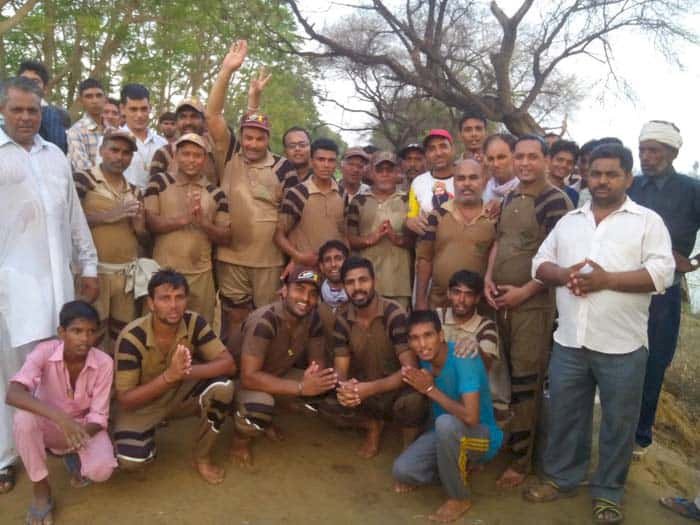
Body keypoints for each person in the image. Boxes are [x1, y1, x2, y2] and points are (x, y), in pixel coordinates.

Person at [525, 144, 674, 525]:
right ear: (586, 175)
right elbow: (540, 263)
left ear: (628, 177)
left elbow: (661, 274)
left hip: (622, 345)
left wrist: (608, 280)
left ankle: (608, 493)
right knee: (565, 416)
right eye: (595, 173)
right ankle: (562, 478)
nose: (602, 181)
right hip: (570, 340)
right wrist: (565, 275)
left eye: (611, 174)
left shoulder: (647, 222)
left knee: (618, 423)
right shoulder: (571, 221)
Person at [0, 77, 98, 496]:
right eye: (17, 109)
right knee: (13, 375)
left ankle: (61, 443)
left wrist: (89, 265)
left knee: (60, 372)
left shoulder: (55, 155)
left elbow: (74, 217)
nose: (25, 117)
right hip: (11, 290)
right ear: (3, 110)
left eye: (33, 110)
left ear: (43, 113)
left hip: (59, 285)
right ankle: (6, 457)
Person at [484, 134, 572, 488]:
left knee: (527, 383)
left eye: (532, 157)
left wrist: (525, 292)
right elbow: (499, 244)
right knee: (505, 380)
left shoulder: (555, 202)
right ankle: (513, 443)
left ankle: (523, 461)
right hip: (502, 305)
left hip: (532, 308)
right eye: (518, 157)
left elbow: (559, 262)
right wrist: (489, 277)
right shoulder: (511, 197)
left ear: (546, 159)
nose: (524, 163)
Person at [206, 40, 298, 343]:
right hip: (231, 256)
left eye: (259, 139)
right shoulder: (229, 155)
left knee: (267, 318)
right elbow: (213, 117)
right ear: (241, 137)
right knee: (234, 317)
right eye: (248, 137)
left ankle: (260, 373)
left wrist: (293, 257)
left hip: (270, 260)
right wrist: (226, 72)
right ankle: (232, 374)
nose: (252, 144)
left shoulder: (284, 168)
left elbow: (294, 216)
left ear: (267, 139)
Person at [113, 269, 235, 484]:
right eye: (165, 298)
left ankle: (202, 457)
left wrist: (185, 372)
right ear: (151, 303)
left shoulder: (194, 322)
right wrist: (169, 376)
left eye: (179, 297)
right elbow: (125, 399)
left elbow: (228, 364)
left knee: (223, 387)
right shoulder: (132, 337)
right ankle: (148, 439)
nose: (173, 305)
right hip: (143, 405)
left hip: (178, 395)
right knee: (131, 459)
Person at [6, 301, 117, 525]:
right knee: (24, 419)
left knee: (101, 471)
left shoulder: (104, 362)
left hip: (84, 427)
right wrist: (61, 419)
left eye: (91, 332)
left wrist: (77, 433)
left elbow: (98, 416)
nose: (85, 339)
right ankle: (41, 488)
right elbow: (13, 394)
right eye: (77, 331)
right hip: (51, 424)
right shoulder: (44, 353)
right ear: (61, 332)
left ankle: (71, 453)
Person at [627, 120, 700, 457]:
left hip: (664, 292)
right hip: (625, 286)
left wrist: (694, 262)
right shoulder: (632, 186)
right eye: (643, 150)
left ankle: (641, 437)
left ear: (672, 152)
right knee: (620, 355)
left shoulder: (691, 189)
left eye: (654, 150)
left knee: (654, 362)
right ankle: (617, 428)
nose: (646, 157)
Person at [393, 310, 503, 523]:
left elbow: (471, 418)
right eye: (415, 338)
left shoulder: (464, 359)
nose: (422, 344)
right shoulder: (424, 360)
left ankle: (459, 497)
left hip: (482, 437)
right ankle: (459, 467)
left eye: (428, 335)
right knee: (402, 470)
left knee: (444, 423)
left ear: (441, 336)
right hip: (445, 434)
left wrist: (430, 389)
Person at [228, 266, 337, 467]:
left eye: (313, 293)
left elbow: (317, 363)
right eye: (300, 289)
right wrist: (300, 388)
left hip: (274, 374)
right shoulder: (266, 320)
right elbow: (248, 377)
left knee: (324, 387)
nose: (306, 298)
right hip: (237, 382)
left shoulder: (312, 319)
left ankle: (268, 418)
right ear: (284, 291)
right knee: (260, 406)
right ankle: (239, 440)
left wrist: (314, 377)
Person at [324, 257, 427, 458]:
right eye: (350, 282)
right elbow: (341, 369)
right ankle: (372, 426)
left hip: (394, 391)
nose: (357, 287)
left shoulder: (394, 313)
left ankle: (408, 449)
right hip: (363, 394)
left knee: (415, 402)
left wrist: (369, 389)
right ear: (344, 286)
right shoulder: (343, 321)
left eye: (363, 280)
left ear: (374, 282)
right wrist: (346, 389)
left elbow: (410, 369)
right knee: (327, 405)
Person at [74, 129, 150, 348]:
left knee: (123, 335)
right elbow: (69, 223)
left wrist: (140, 229)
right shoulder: (84, 179)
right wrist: (110, 215)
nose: (120, 157)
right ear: (101, 151)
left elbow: (144, 239)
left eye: (126, 153)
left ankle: (118, 381)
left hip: (125, 276)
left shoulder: (135, 191)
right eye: (114, 150)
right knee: (90, 334)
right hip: (94, 273)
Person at [145, 133, 231, 324]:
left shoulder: (216, 193)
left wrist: (203, 223)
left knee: (199, 329)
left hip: (200, 276)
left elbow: (226, 236)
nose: (191, 160)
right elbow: (149, 223)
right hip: (163, 273)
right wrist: (183, 220)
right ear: (176, 155)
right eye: (186, 154)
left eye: (197, 155)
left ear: (205, 159)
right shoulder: (159, 182)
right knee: (161, 326)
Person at [415, 159, 496, 309]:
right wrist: (420, 301)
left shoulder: (493, 218)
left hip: (480, 308)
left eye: (473, 178)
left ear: (484, 181)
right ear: (454, 183)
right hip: (440, 305)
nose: (466, 183)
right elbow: (425, 259)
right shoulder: (437, 215)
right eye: (461, 178)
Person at [436, 271, 509, 422]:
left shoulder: (486, 327)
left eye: (468, 295)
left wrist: (477, 349)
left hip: (477, 397)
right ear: (448, 294)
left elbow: (485, 365)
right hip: (444, 391)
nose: (461, 300)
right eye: (457, 293)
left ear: (477, 298)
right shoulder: (437, 317)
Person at [347, 151, 412, 308]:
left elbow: (416, 241)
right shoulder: (359, 201)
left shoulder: (408, 200)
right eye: (379, 170)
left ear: (397, 173)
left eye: (389, 170)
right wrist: (371, 238)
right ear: (371, 173)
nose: (385, 174)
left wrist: (397, 238)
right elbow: (349, 239)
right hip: (365, 283)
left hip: (399, 284)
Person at [275, 138, 346, 268]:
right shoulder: (297, 193)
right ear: (312, 162)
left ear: (336, 164)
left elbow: (343, 233)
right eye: (321, 159)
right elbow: (279, 234)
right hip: (305, 271)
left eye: (331, 160)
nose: (326, 165)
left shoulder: (342, 193)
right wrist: (297, 256)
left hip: (335, 271)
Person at [100, 83, 167, 189]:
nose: (139, 115)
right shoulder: (109, 142)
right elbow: (101, 180)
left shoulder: (162, 144)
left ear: (150, 108)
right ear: (122, 109)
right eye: (133, 109)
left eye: (144, 109)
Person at [150, 97, 225, 185]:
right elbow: (153, 190)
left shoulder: (215, 153)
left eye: (194, 117)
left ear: (204, 121)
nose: (188, 122)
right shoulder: (163, 153)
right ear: (177, 122)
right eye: (183, 117)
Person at [406, 129, 456, 236]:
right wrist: (410, 222)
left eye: (443, 146)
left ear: (452, 149)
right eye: (432, 149)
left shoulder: (466, 176)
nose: (438, 153)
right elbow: (412, 216)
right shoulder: (418, 182)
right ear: (427, 155)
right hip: (429, 248)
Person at [17, 60, 68, 152]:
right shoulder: (4, 113)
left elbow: (58, 152)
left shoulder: (54, 115)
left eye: (35, 81)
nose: (29, 85)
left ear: (45, 89)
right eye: (24, 80)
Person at [317, 240, 350, 360]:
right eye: (327, 260)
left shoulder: (359, 296)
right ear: (321, 266)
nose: (333, 264)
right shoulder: (314, 296)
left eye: (338, 258)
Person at [67, 78, 106, 172]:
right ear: (81, 101)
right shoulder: (75, 132)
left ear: (105, 98)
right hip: (92, 185)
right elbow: (82, 168)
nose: (95, 100)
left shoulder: (112, 130)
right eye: (89, 96)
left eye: (99, 95)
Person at [482, 133, 519, 205]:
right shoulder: (481, 190)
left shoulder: (527, 188)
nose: (495, 164)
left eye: (501, 157)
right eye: (490, 159)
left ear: (515, 156)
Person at [548, 139, 579, 206]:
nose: (564, 165)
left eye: (569, 162)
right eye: (560, 160)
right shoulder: (534, 188)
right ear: (549, 159)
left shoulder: (573, 195)